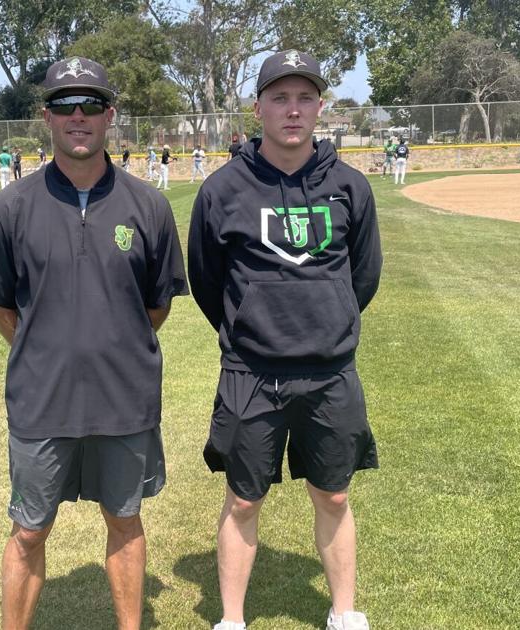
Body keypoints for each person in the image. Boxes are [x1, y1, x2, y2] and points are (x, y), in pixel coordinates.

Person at [0, 56, 188, 630]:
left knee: (125, 519)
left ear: (111, 115)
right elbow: (1, 305)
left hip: (124, 399)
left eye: (91, 104)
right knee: (30, 528)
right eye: (65, 105)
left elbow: (155, 307)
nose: (79, 115)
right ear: (47, 117)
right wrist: (48, 350)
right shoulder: (11, 206)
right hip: (43, 399)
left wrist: (111, 344)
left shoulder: (150, 206)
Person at [187, 49, 382, 630]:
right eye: (279, 97)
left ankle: (344, 611)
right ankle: (231, 619)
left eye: (304, 98)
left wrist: (328, 319)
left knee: (335, 495)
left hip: (330, 373)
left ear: (321, 106)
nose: (292, 110)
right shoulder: (223, 191)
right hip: (252, 374)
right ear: (258, 108)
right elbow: (207, 281)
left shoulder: (350, 187)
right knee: (244, 499)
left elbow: (363, 276)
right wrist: (255, 323)